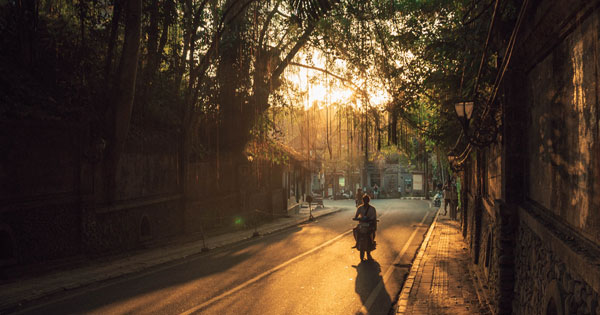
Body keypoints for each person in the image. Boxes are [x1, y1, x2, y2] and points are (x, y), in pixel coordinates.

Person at [352, 194, 377, 259]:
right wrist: (356, 218)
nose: (365, 201)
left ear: (368, 201)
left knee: (372, 232)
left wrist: (371, 219)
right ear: (363, 201)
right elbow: (356, 216)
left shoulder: (372, 209)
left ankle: (372, 242)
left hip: (369, 224)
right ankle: (357, 242)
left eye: (366, 200)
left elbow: (374, 217)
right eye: (364, 200)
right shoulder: (360, 208)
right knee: (355, 230)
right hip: (362, 224)